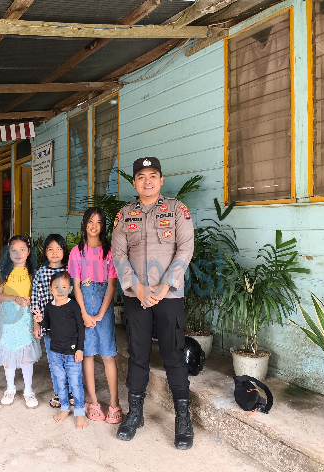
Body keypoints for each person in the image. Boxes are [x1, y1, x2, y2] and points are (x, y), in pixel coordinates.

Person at [111, 156, 195, 450]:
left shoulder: (176, 210)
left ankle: (183, 419)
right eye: (141, 177)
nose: (147, 181)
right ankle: (135, 414)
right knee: (137, 353)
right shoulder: (125, 215)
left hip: (168, 295)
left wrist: (164, 285)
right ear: (134, 182)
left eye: (152, 176)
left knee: (174, 354)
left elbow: (185, 248)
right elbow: (118, 254)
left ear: (161, 180)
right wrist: (136, 286)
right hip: (136, 296)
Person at [69, 207, 122, 424]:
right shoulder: (76, 252)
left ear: (103, 226)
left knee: (108, 355)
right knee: (88, 354)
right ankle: (92, 400)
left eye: (99, 222)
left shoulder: (109, 251)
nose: (94, 226)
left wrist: (100, 314)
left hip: (104, 307)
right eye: (91, 221)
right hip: (83, 305)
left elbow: (111, 286)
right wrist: (83, 313)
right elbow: (76, 287)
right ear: (84, 224)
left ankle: (115, 403)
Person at [0, 235, 41, 408]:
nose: (18, 254)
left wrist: (35, 314)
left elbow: (37, 296)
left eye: (22, 250)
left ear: (29, 252)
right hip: (8, 316)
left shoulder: (33, 273)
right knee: (8, 351)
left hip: (26, 317)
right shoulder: (2, 273)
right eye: (14, 250)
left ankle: (28, 391)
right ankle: (10, 388)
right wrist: (15, 298)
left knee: (26, 353)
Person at [34, 271, 87, 429]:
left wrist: (80, 349)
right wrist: (40, 321)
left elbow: (81, 329)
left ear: (70, 289)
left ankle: (79, 412)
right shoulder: (49, 307)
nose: (60, 290)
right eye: (56, 287)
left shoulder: (73, 306)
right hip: (56, 352)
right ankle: (64, 408)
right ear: (50, 289)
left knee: (75, 383)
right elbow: (48, 326)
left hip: (72, 352)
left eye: (64, 287)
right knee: (60, 382)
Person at [31, 233, 71, 408]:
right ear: (45, 252)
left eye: (59, 249)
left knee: (69, 359)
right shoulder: (41, 273)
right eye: (50, 249)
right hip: (49, 325)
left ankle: (71, 391)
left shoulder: (70, 270)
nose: (55, 252)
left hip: (69, 326)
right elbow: (35, 299)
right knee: (55, 361)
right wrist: (36, 324)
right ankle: (59, 392)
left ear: (64, 251)